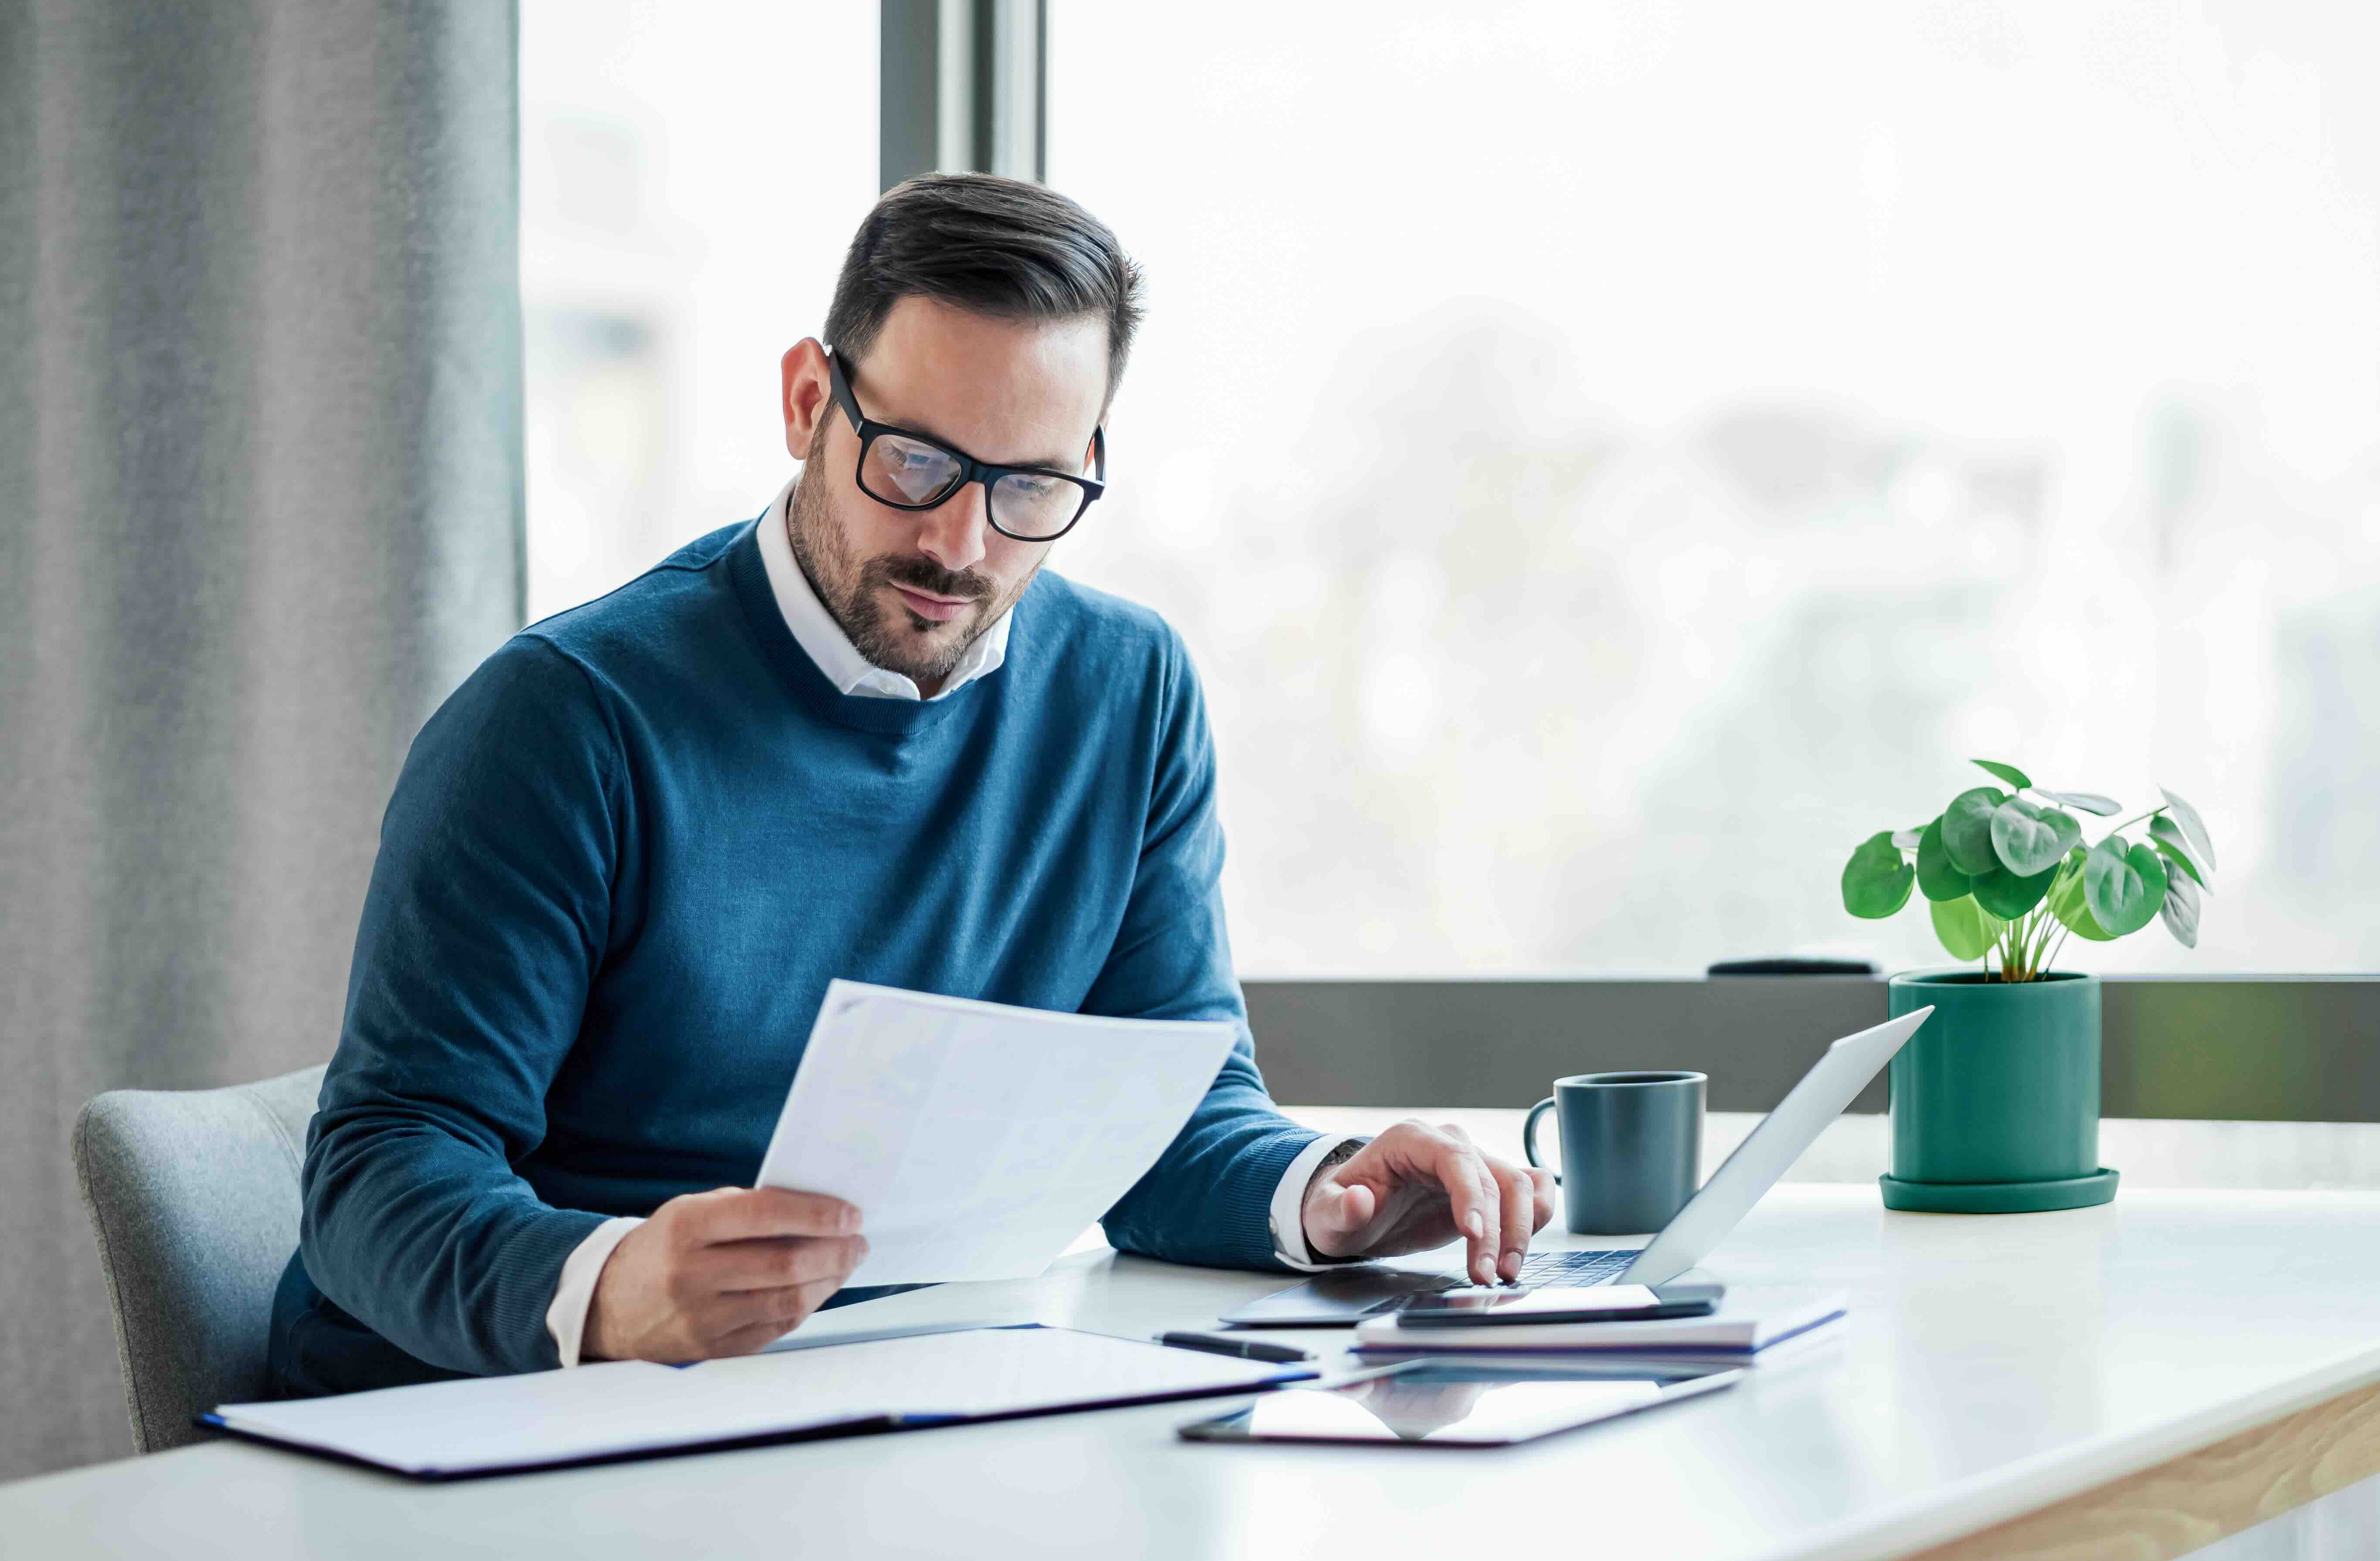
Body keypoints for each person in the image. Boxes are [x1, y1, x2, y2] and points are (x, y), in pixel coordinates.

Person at [268, 173, 1554, 1393]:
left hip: (878, 1403)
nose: (961, 543)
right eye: (918, 463)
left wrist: (1331, 1192)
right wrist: (610, 1286)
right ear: (805, 403)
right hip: (498, 1424)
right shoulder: (565, 721)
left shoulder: (1130, 693)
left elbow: (1169, 1116)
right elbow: (379, 1176)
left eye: (1032, 486)